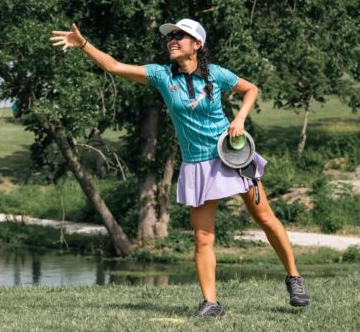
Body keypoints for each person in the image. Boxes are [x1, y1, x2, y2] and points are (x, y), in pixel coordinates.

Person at [51, 19, 310, 316]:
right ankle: (211, 303)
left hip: (232, 156)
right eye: (170, 36)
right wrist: (83, 44)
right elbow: (114, 66)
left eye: (180, 36)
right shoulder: (162, 75)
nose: (172, 40)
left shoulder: (216, 74)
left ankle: (294, 278)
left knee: (265, 218)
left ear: (197, 44)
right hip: (197, 163)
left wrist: (239, 119)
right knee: (202, 237)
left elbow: (251, 89)